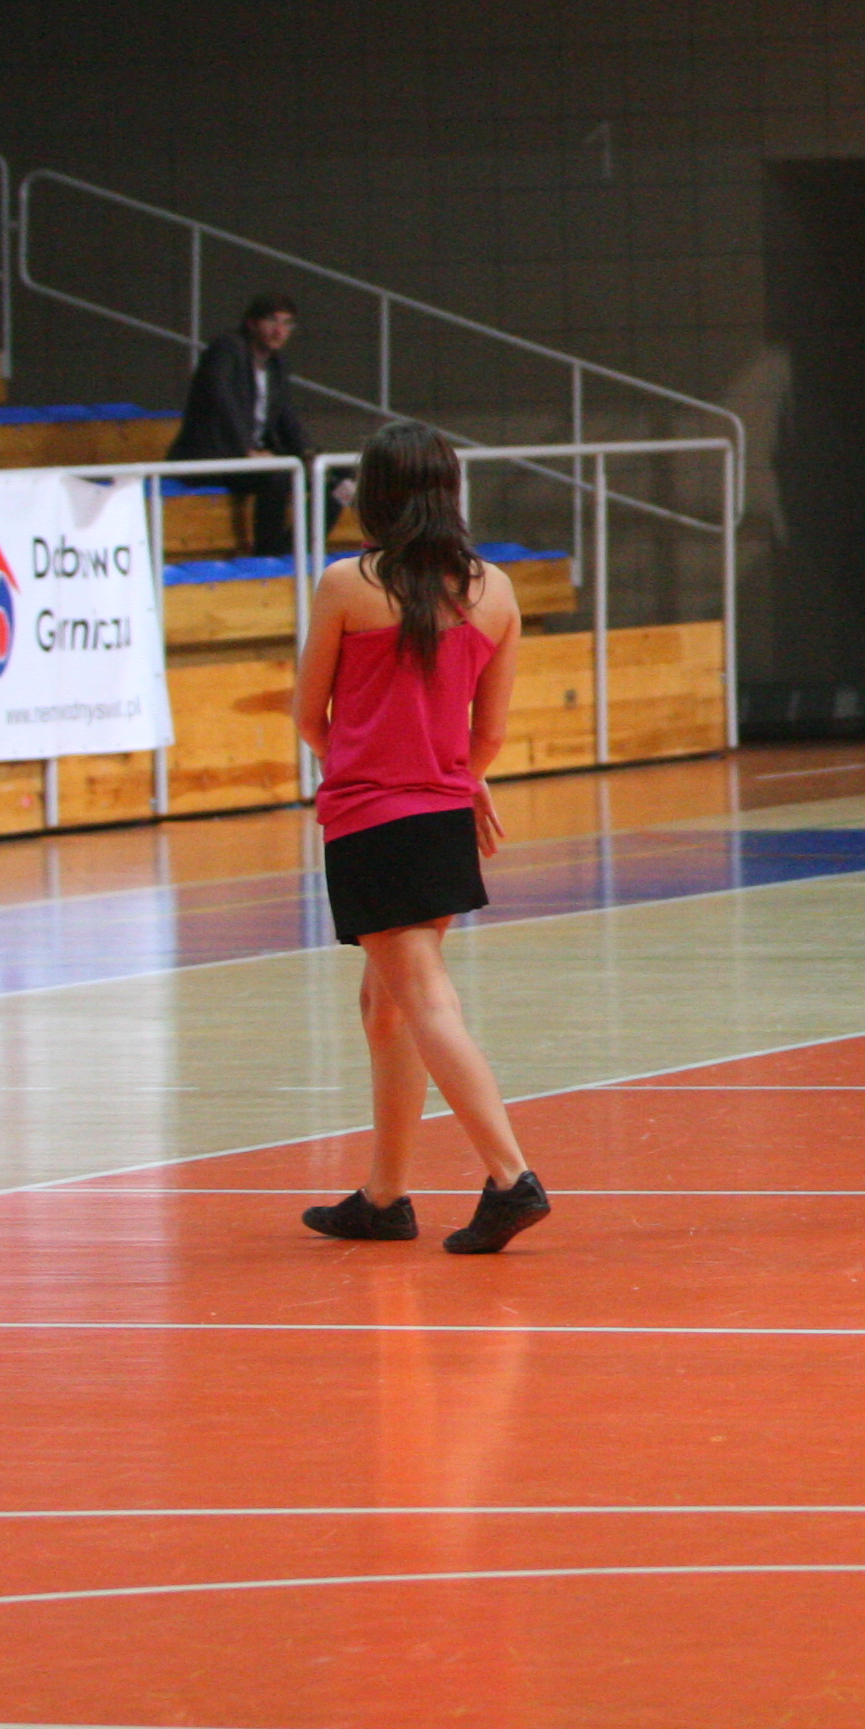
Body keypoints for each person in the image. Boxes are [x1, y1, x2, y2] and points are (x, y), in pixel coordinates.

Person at [291, 421, 548, 1254]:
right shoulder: (495, 591)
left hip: (372, 820)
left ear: (375, 494)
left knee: (425, 1000)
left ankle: (510, 1178)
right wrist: (455, 775)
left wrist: (366, 764)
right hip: (443, 818)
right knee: (386, 1006)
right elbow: (491, 734)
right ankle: (385, 1195)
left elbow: (310, 715)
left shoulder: (346, 584)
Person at [170, 291, 313, 559]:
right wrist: (246, 450)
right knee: (277, 476)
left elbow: (285, 415)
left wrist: (309, 453)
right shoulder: (226, 349)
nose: (279, 331)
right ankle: (267, 555)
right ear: (251, 323)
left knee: (337, 482)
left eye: (287, 323)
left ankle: (289, 551)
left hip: (251, 456)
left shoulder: (277, 364)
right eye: (272, 321)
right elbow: (221, 399)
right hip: (216, 456)